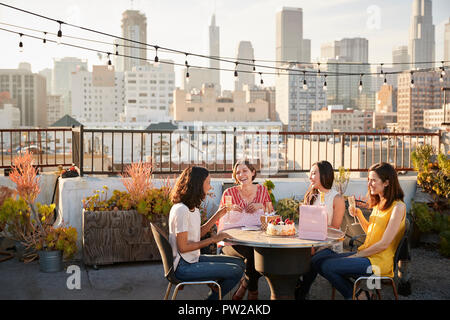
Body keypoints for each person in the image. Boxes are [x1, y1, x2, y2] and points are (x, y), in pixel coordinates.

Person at [308, 162, 406, 300]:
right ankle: (360, 295)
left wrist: (356, 256)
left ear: (386, 182)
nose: (369, 183)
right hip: (367, 255)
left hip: (378, 262)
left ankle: (358, 296)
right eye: (368, 180)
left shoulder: (398, 207)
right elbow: (370, 233)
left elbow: (384, 244)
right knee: (317, 260)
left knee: (328, 266)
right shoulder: (380, 204)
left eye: (373, 180)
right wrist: (359, 215)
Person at [168, 166, 245, 300]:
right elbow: (184, 247)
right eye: (208, 183)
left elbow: (198, 233)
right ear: (197, 185)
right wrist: (214, 239)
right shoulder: (181, 210)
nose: (210, 187)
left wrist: (218, 214)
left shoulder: (192, 207)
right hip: (183, 266)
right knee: (236, 271)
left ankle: (216, 285)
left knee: (240, 264)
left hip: (192, 259)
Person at [219, 160, 272, 300]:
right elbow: (219, 221)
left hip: (257, 239)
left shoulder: (262, 190)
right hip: (232, 243)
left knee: (259, 252)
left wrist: (261, 205)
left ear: (253, 172)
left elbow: (271, 214)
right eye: (238, 172)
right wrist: (227, 210)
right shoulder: (228, 193)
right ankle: (253, 290)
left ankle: (244, 285)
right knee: (254, 254)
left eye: (245, 171)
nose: (241, 175)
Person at [295, 160, 345, 299]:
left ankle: (302, 292)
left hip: (329, 245)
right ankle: (296, 286)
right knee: (289, 256)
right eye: (310, 173)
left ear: (324, 175)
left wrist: (314, 245)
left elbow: (335, 229)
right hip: (310, 241)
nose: (310, 177)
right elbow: (305, 224)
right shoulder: (311, 195)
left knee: (312, 260)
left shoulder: (337, 198)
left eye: (313, 173)